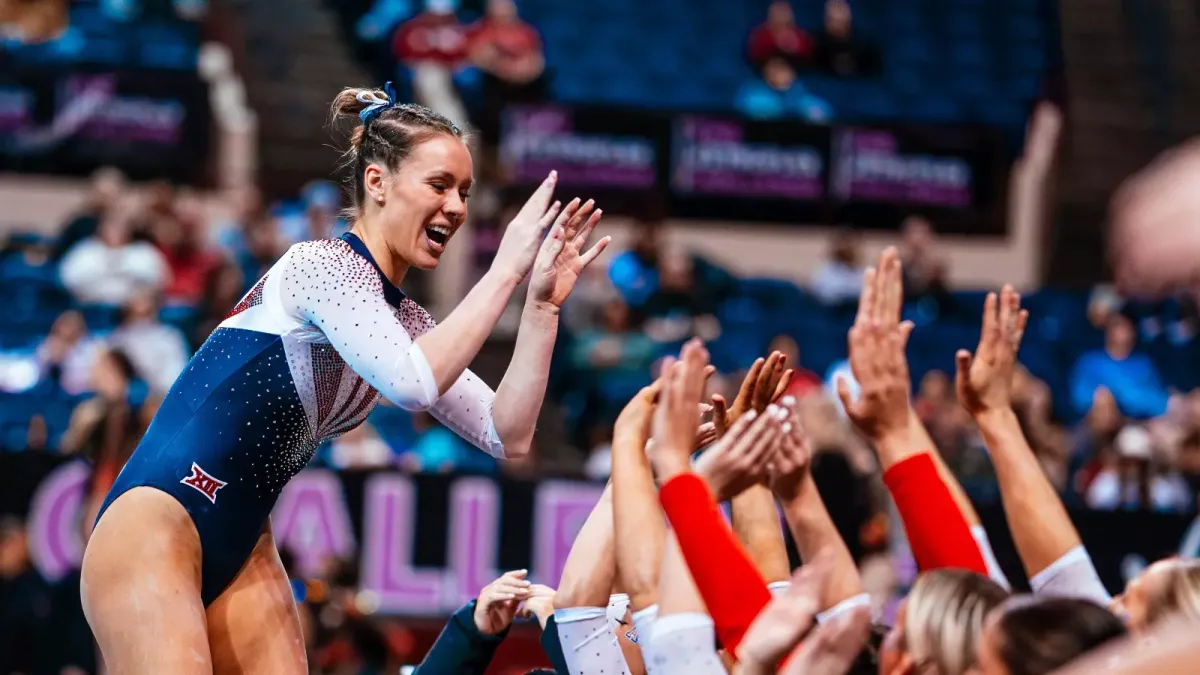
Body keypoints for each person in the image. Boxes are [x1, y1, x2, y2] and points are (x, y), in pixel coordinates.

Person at [81, 87, 610, 674]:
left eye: (464, 191)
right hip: (158, 520)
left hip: (242, 548)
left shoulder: (405, 321)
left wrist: (540, 308)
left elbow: (506, 433)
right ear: (378, 183)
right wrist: (505, 268)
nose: (457, 207)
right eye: (439, 185)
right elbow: (413, 383)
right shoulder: (321, 267)